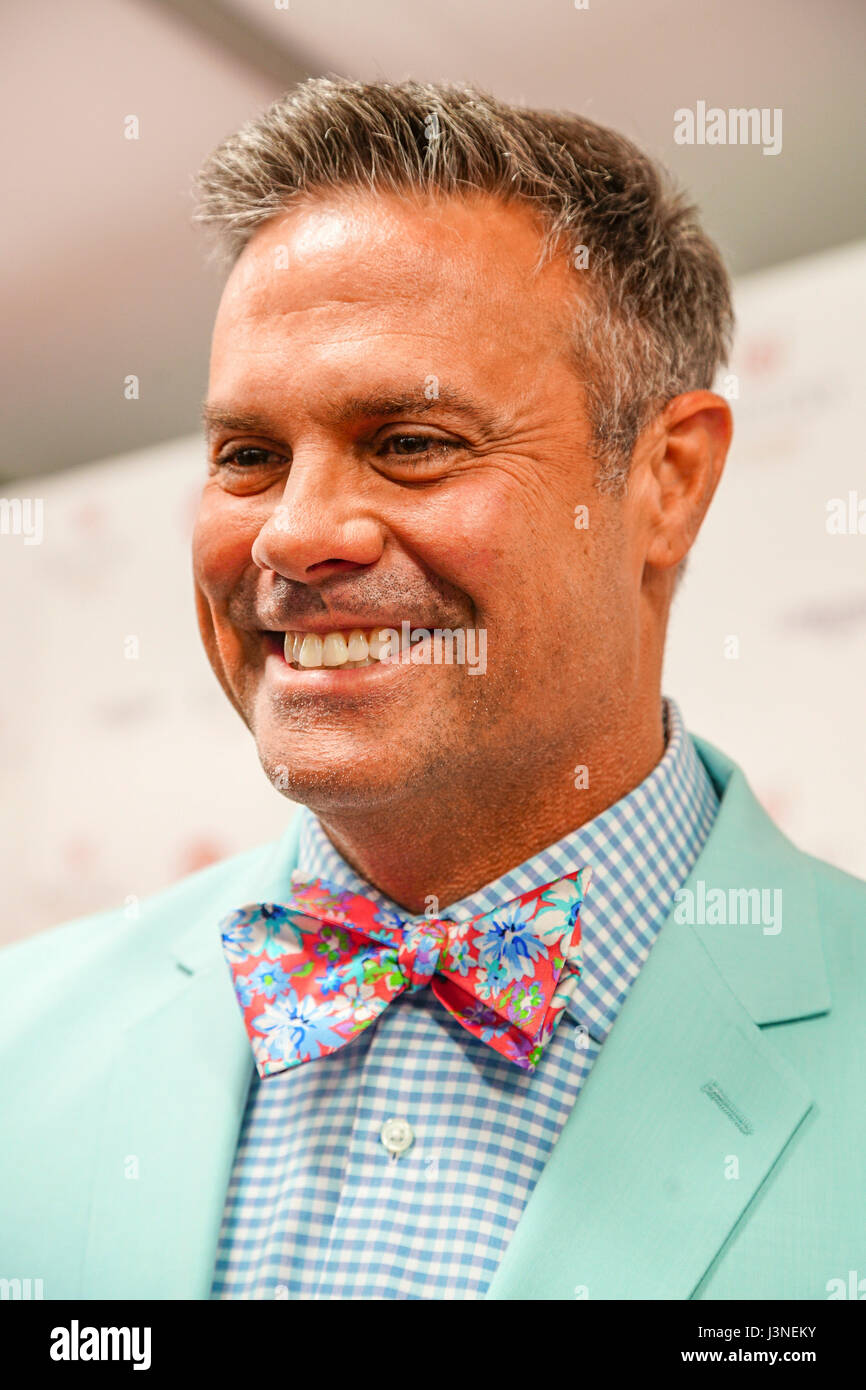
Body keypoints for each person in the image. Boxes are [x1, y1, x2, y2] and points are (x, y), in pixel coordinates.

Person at [1, 78, 863, 1302]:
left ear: (667, 479)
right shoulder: (18, 1043)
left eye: (410, 444)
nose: (294, 535)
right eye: (247, 456)